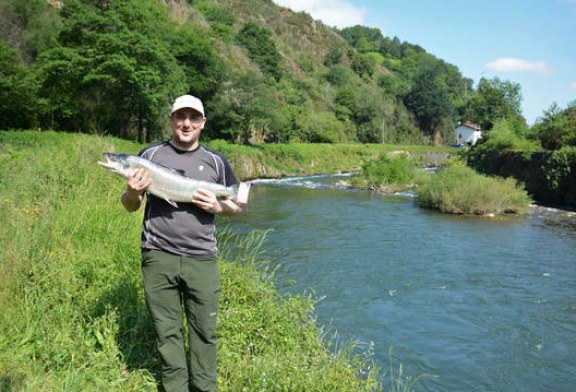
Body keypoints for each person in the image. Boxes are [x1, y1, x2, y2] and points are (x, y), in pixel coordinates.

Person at [120, 94, 244, 392]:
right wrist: (134, 192)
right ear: (172, 119)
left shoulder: (216, 161)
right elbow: (129, 206)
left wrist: (217, 208)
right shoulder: (148, 157)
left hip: (202, 258)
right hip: (158, 255)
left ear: (202, 123)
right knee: (167, 331)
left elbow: (237, 204)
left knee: (204, 332)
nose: (186, 123)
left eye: (193, 118)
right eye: (180, 117)